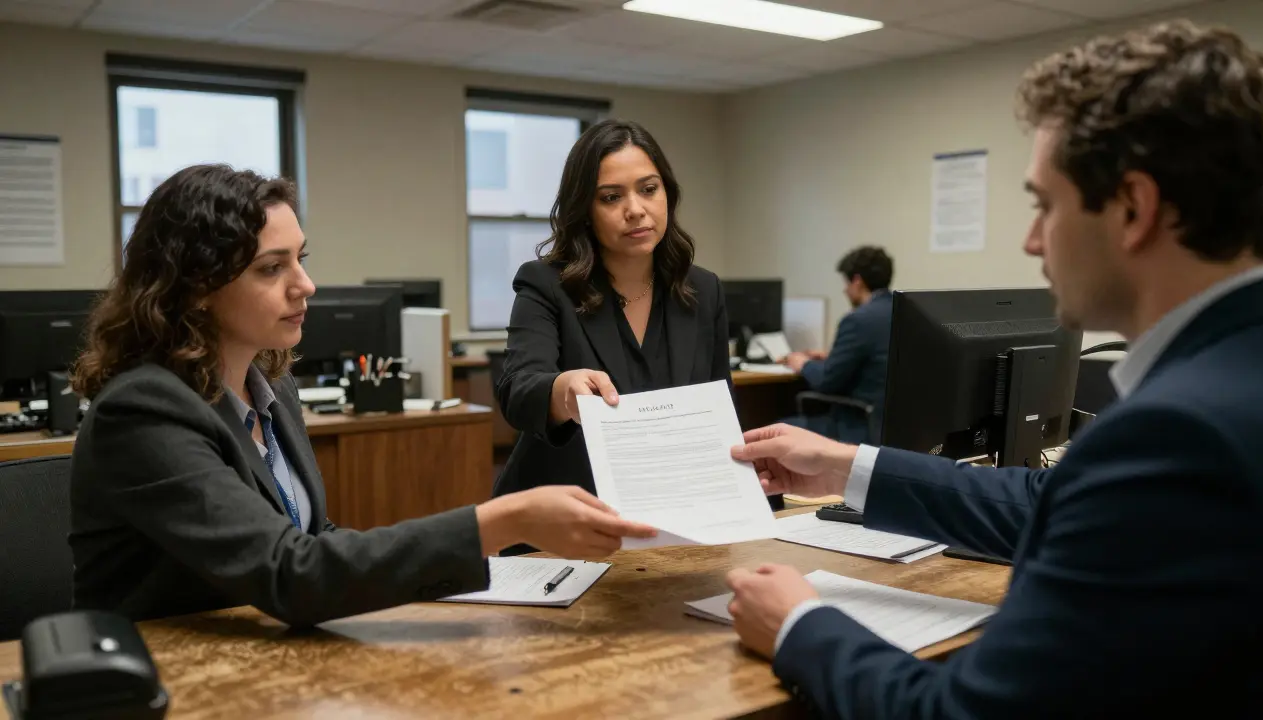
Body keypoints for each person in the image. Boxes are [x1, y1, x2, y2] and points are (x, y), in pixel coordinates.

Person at [722, 20, 1263, 717]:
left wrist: (799, 626)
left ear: (1133, 209)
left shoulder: (1179, 435)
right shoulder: (1247, 376)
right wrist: (848, 466)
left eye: (1044, 205)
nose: (1031, 240)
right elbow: (1051, 504)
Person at [68, 164, 656, 626]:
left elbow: (314, 539)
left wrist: (459, 572)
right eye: (271, 268)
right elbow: (290, 572)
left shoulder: (271, 388)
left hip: (263, 654)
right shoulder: (144, 411)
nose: (305, 285)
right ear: (196, 287)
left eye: (300, 260)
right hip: (162, 677)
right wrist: (501, 521)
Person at [493, 119, 733, 510]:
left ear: (667, 194)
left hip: (671, 507)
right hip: (563, 511)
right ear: (585, 209)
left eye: (648, 189)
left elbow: (720, 408)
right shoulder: (546, 284)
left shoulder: (703, 290)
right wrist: (562, 391)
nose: (635, 210)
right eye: (610, 197)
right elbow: (517, 391)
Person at [779, 246, 893, 443]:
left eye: (846, 284)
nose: (845, 290)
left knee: (774, 430)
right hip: (892, 430)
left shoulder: (858, 320)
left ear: (857, 281)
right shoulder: (902, 311)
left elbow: (827, 382)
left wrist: (802, 363)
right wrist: (832, 357)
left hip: (859, 428)